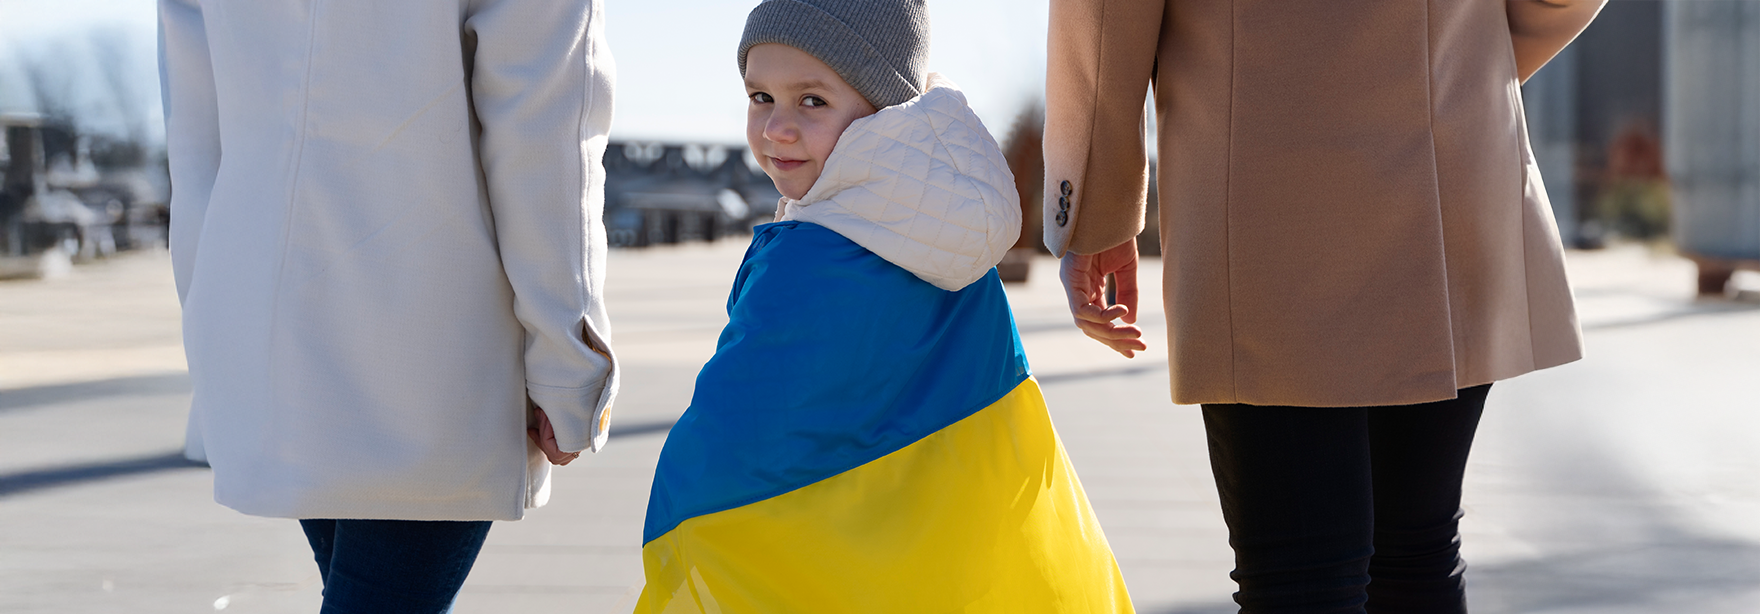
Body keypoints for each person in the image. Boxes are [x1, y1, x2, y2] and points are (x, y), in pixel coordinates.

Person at [1042, 1, 1605, 612]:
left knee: (1302, 573)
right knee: (1416, 554)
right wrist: (1465, 55)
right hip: (1456, 146)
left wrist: (1094, 203)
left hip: (1265, 165)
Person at [636, 1, 1133, 611]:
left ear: (883, 107)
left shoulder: (811, 259)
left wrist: (676, 519)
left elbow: (728, 443)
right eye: (760, 97)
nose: (776, 128)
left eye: (811, 100)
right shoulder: (945, 235)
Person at [158, 0, 618, 610]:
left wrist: (215, 333)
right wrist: (568, 364)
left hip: (263, 324)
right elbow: (545, 128)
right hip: (433, 348)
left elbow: (194, 139)